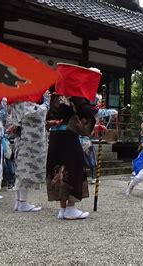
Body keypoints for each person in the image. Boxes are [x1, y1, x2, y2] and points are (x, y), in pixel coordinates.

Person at [46, 64, 101, 220]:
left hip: (55, 136)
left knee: (59, 169)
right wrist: (102, 113)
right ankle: (70, 208)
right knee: (72, 167)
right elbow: (86, 111)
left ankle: (62, 209)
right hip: (68, 136)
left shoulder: (56, 95)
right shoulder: (74, 94)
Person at [9, 91, 50, 212]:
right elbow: (34, 114)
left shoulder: (16, 99)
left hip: (23, 138)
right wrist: (46, 103)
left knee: (21, 170)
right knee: (25, 171)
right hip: (28, 140)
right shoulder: (22, 100)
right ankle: (22, 203)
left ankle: (19, 202)